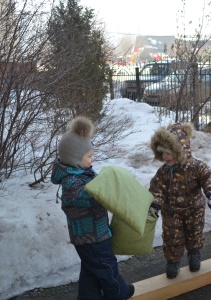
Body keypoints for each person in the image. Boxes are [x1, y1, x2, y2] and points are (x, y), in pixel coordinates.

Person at [51, 116, 134, 300]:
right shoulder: (71, 181)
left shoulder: (82, 173)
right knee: (106, 265)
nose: (92, 159)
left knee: (91, 269)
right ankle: (118, 291)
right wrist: (101, 188)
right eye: (89, 156)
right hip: (90, 236)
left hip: (94, 233)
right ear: (75, 159)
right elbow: (84, 196)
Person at [148, 122, 211, 279]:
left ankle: (194, 254)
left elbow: (209, 176)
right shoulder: (163, 172)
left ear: (179, 151)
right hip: (171, 212)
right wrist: (155, 205)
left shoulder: (195, 166)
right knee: (172, 238)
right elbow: (157, 190)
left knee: (194, 234)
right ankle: (173, 262)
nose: (164, 157)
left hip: (194, 210)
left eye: (167, 153)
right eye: (161, 153)